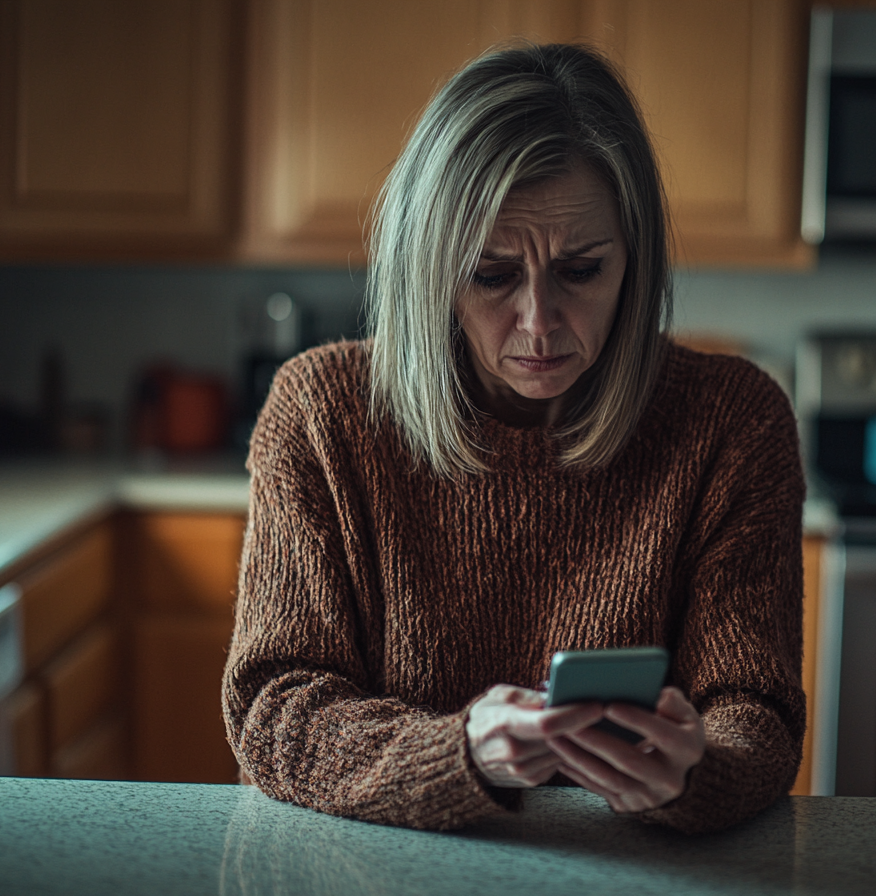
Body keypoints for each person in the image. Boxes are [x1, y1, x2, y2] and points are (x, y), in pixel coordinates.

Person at [222, 42, 805, 835]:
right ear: (430, 270)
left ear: (635, 259)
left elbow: (756, 713)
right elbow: (274, 708)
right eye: (492, 276)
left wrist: (697, 771)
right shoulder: (322, 413)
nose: (539, 322)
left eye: (582, 270)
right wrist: (457, 753)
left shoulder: (732, 422)